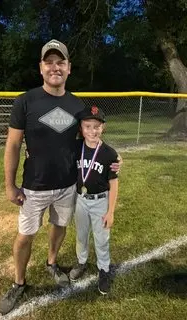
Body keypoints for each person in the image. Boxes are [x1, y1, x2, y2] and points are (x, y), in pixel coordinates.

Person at [0, 39, 121, 315]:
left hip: (68, 185)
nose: (55, 67)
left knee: (59, 226)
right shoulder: (25, 101)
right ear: (41, 68)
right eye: (49, 62)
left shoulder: (77, 104)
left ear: (69, 68)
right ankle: (19, 282)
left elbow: (90, 136)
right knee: (25, 235)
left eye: (61, 62)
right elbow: (13, 145)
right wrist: (9, 185)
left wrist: (112, 157)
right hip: (34, 186)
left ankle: (52, 263)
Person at [69, 106, 119, 295]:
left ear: (103, 127)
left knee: (102, 238)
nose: (92, 131)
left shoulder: (109, 153)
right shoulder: (76, 147)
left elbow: (113, 184)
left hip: (100, 201)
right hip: (80, 199)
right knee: (81, 235)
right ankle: (81, 262)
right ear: (81, 128)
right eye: (87, 126)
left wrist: (110, 211)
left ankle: (104, 269)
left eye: (96, 126)